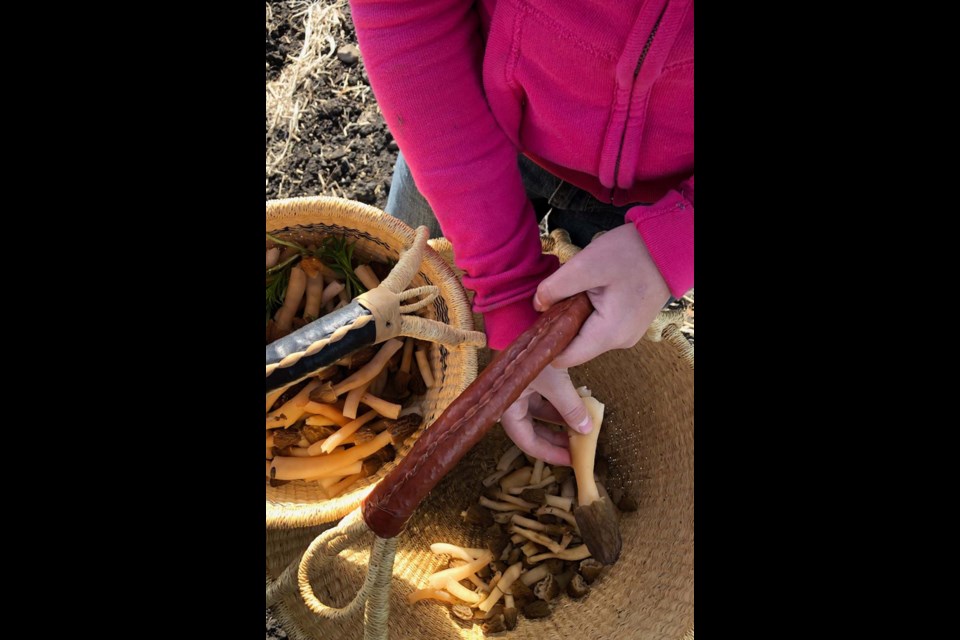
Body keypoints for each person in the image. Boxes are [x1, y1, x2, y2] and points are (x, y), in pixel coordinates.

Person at [350, 0, 693, 466]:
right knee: (404, 290)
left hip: (658, 197)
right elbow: (408, 16)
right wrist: (505, 283)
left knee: (587, 353)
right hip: (462, 126)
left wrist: (676, 237)